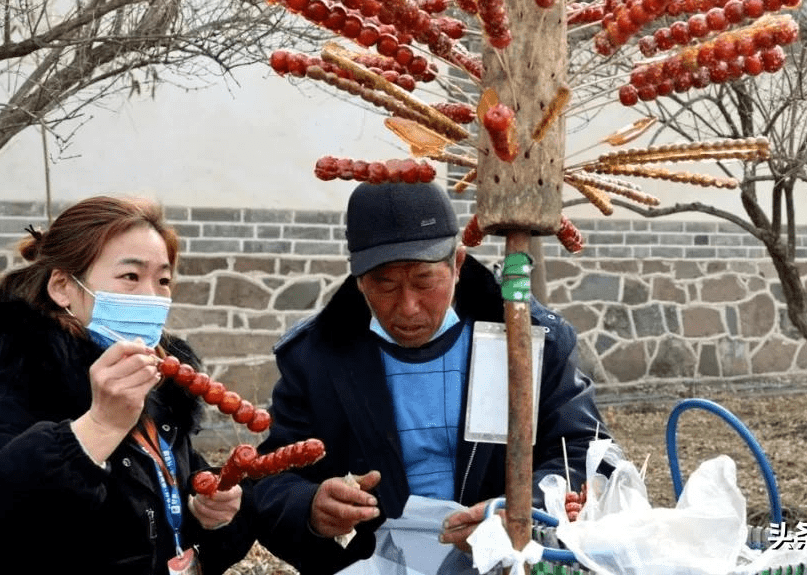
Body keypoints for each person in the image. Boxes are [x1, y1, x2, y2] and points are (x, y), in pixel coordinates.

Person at [252, 181, 609, 574]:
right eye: (384, 284)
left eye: (424, 281)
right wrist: (311, 507)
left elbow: (585, 453)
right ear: (358, 279)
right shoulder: (317, 357)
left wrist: (521, 511)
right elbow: (269, 481)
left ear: (457, 264)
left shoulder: (526, 339)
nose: (407, 307)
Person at [0, 196, 256, 574]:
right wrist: (99, 428)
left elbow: (162, 502)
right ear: (63, 288)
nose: (152, 296)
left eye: (163, 280)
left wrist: (210, 515)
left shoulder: (159, 388)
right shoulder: (8, 379)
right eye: (131, 277)